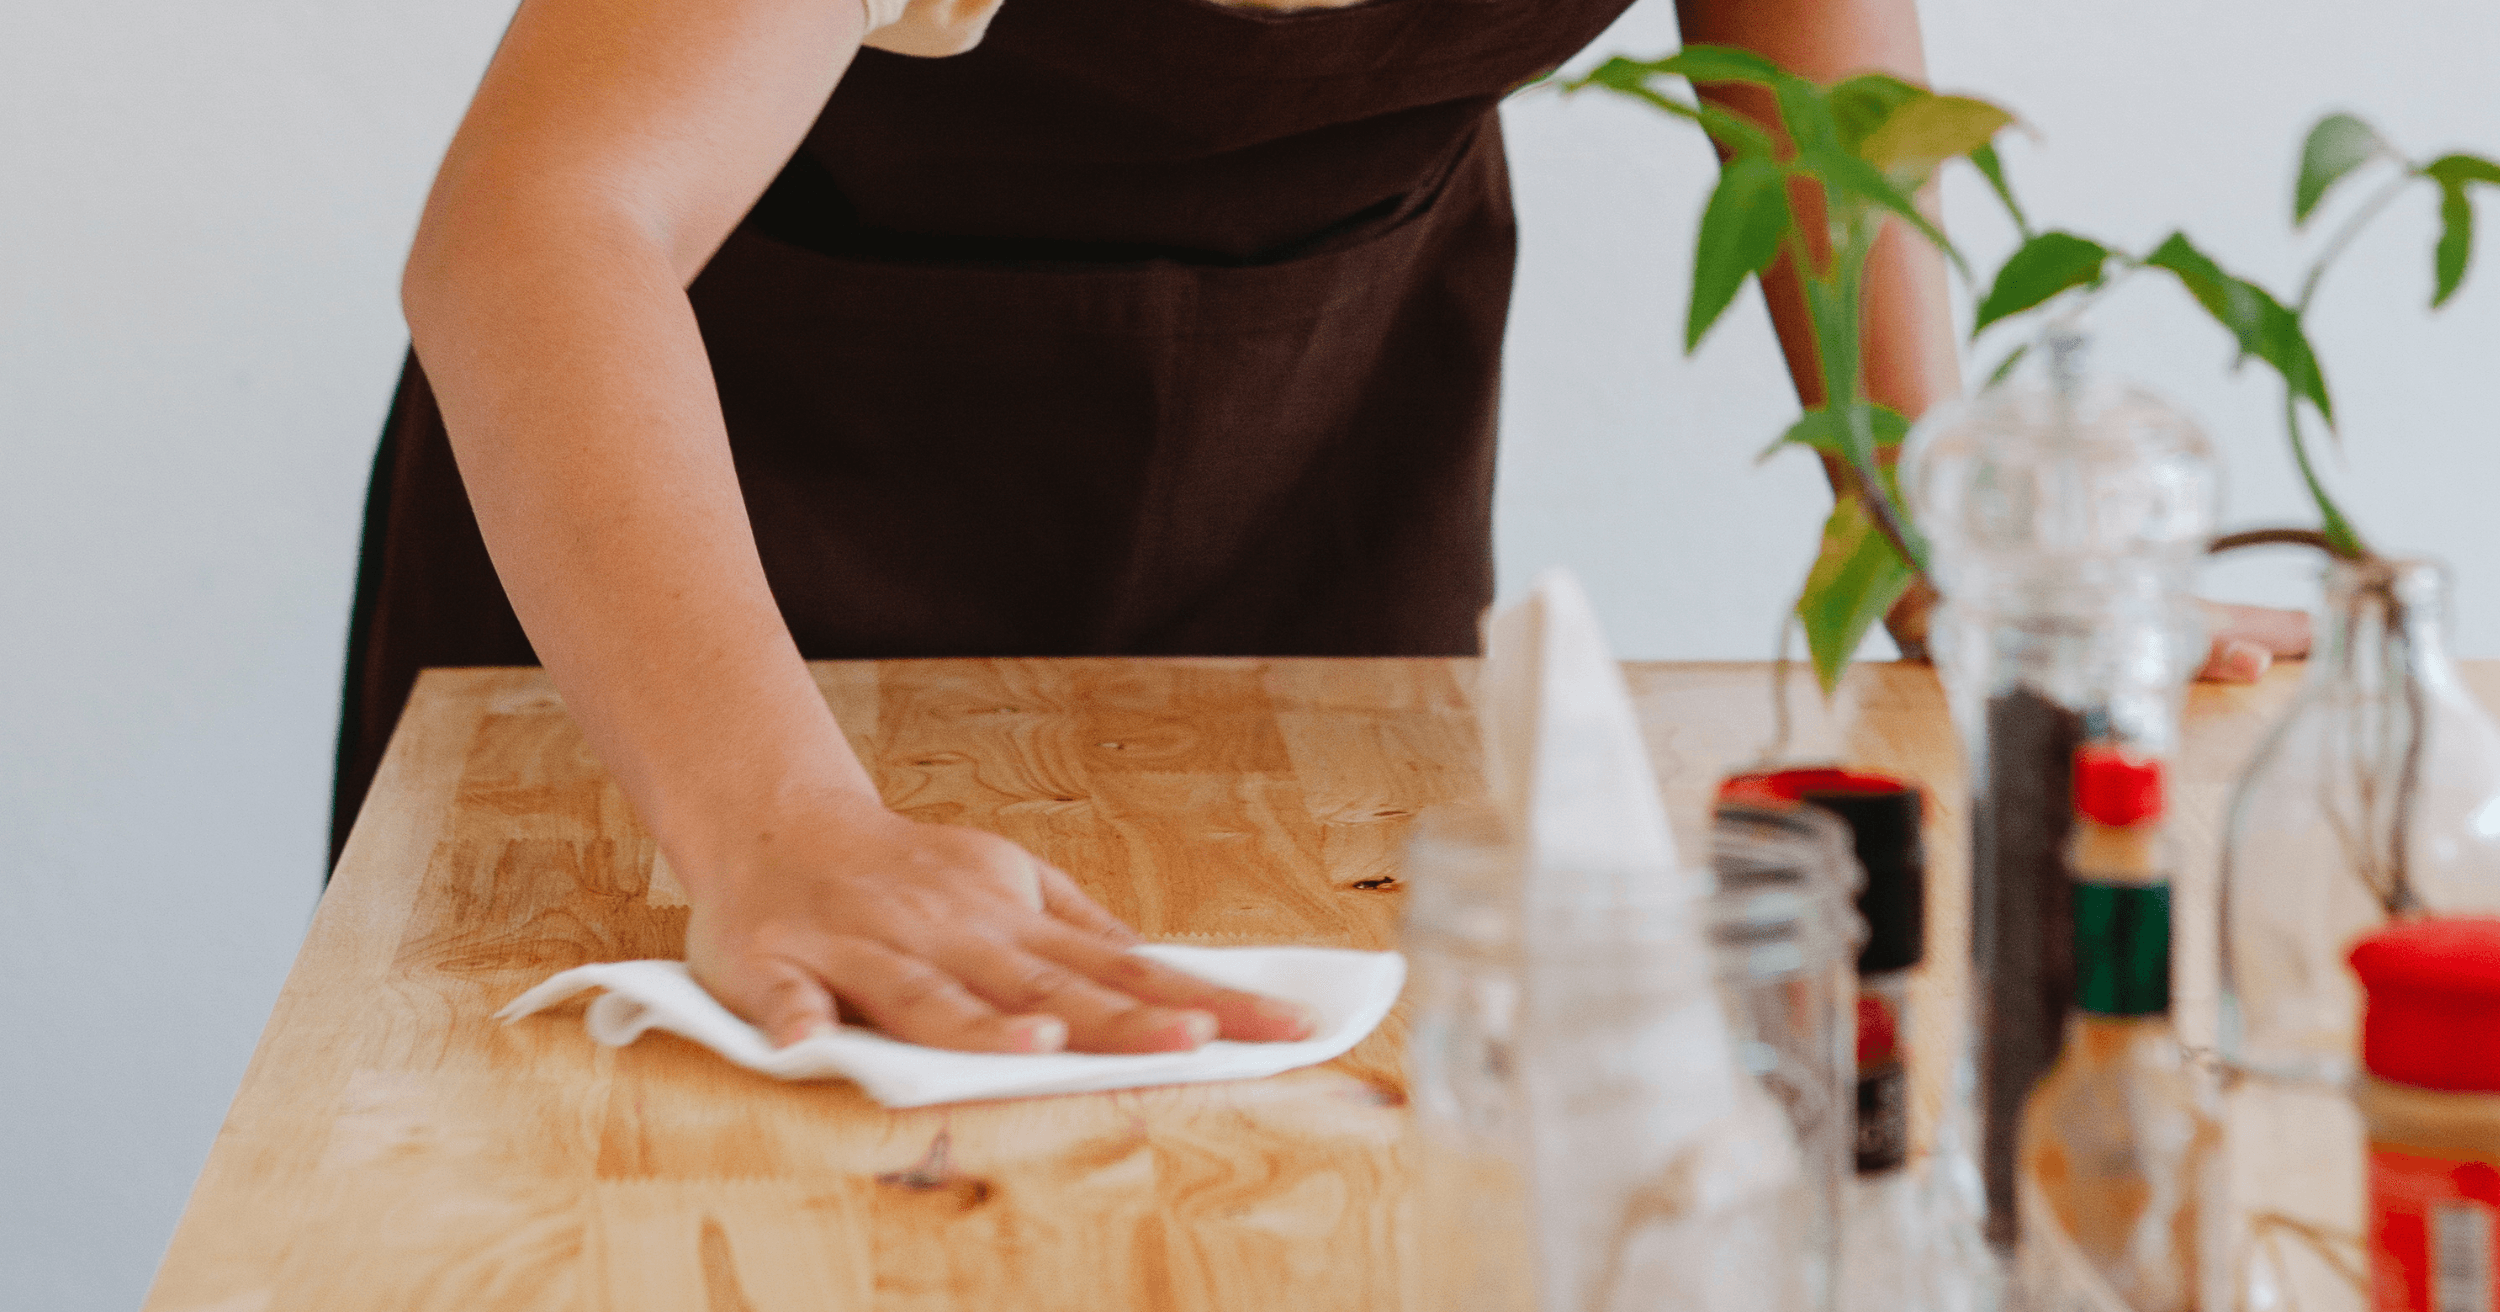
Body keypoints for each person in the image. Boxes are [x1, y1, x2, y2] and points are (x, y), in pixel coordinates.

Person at [337, 0, 2303, 1058]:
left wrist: (1929, 509)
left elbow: (1805, 79)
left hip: (1308, 499)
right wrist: (768, 823)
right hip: (705, 618)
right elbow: (540, 229)